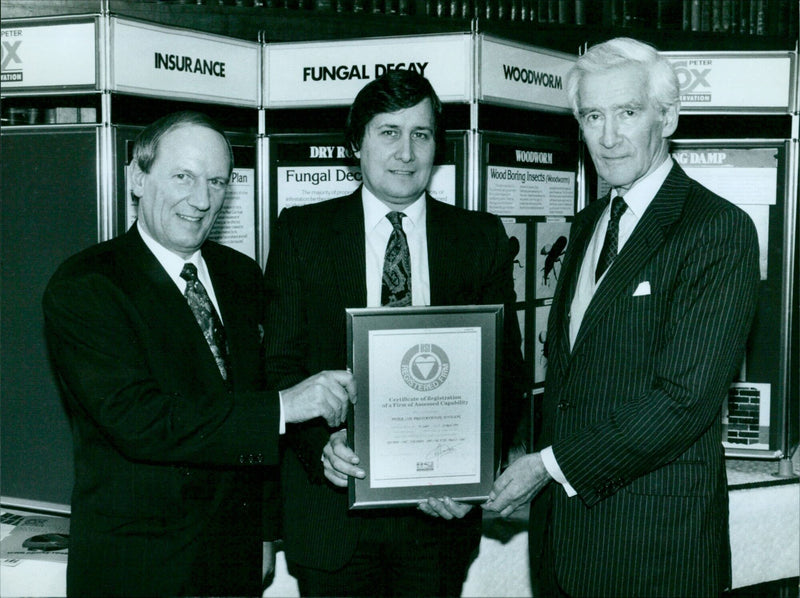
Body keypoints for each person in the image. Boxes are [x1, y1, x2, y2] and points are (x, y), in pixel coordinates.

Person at [482, 37, 760, 598]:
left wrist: (548, 466)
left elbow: (682, 400)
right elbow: (573, 379)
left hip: (653, 546)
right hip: (565, 542)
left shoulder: (716, 229)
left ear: (668, 116)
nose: (608, 138)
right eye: (592, 116)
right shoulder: (587, 224)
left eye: (627, 113)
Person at [42, 111, 356, 598]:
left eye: (217, 181)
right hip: (138, 567)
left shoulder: (240, 275)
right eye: (183, 177)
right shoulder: (88, 285)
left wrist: (267, 532)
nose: (202, 200)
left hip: (234, 558)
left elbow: (257, 424)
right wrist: (284, 405)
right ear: (137, 179)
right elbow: (141, 421)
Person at [263, 69, 528, 597]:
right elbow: (279, 363)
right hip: (332, 514)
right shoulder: (302, 234)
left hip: (438, 521)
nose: (406, 152)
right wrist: (321, 446)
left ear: (437, 148)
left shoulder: (479, 238)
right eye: (389, 132)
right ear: (355, 145)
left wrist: (469, 475)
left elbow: (506, 371)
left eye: (421, 134)